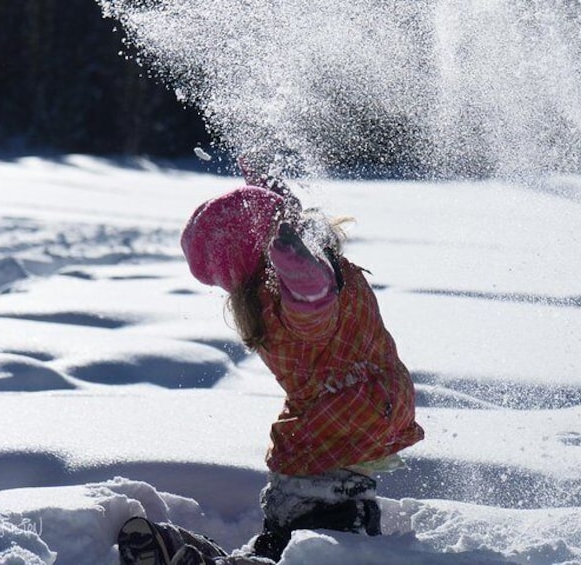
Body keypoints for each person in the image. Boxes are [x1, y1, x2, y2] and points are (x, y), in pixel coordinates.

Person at [116, 158, 424, 565]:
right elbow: (312, 312)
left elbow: (287, 227)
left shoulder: (287, 271)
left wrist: (266, 183)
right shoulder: (288, 298)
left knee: (276, 545)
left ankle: (181, 548)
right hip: (334, 454)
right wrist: (301, 275)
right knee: (313, 555)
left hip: (325, 443)